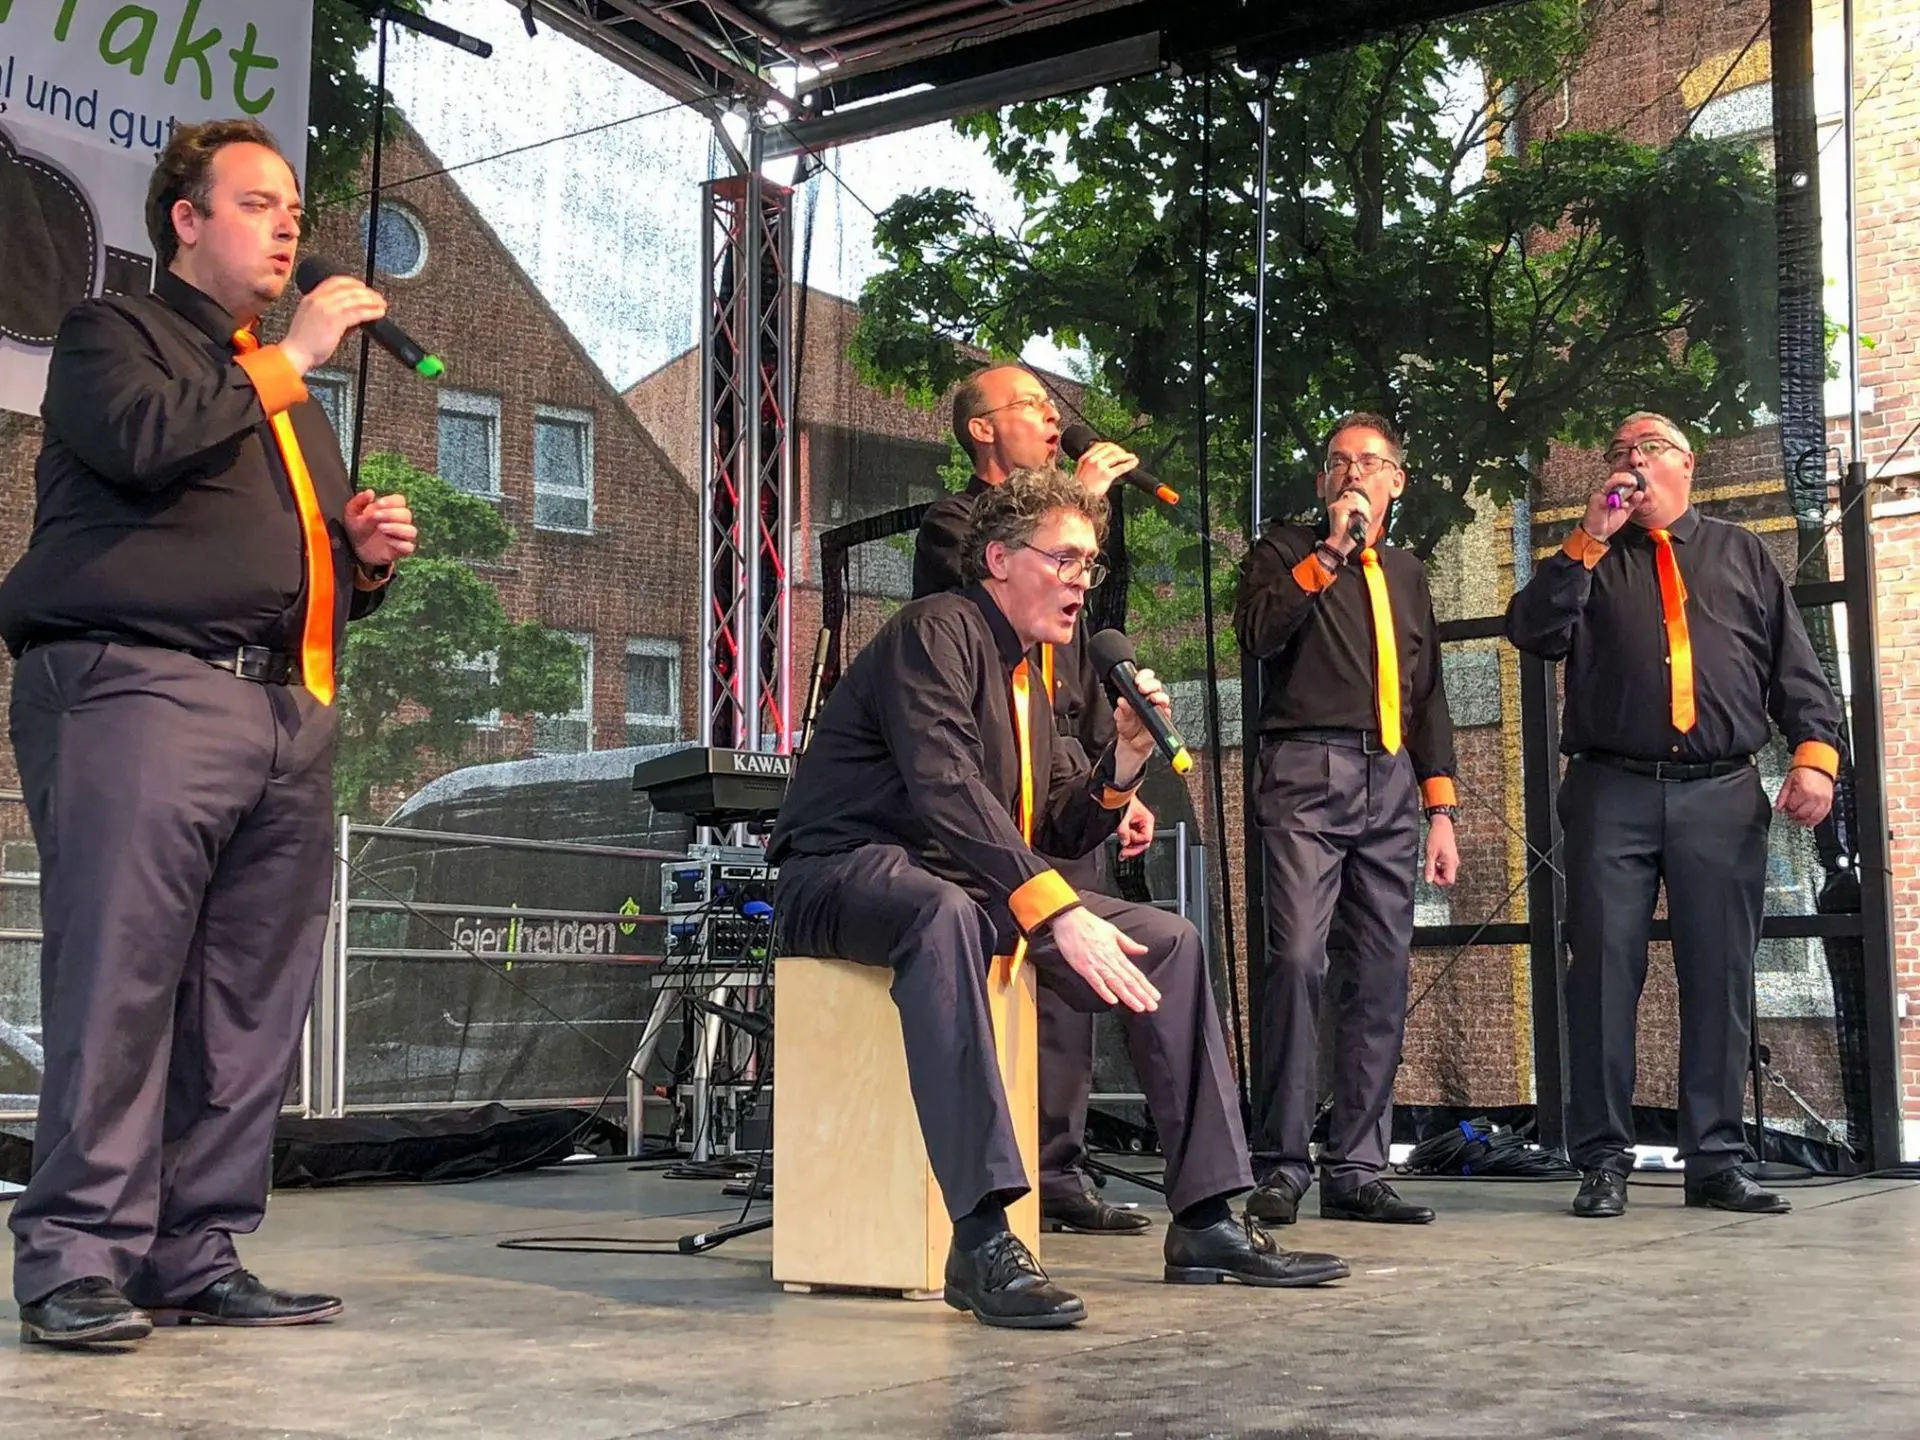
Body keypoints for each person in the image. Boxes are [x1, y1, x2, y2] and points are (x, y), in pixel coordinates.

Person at [0, 118, 416, 1345]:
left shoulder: (284, 386)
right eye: (258, 203)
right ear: (186, 218)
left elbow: (289, 553)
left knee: (247, 1000)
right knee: (122, 980)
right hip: (138, 687)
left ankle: (193, 1247)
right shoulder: (109, 335)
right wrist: (292, 357)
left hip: (283, 706)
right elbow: (143, 441)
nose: (290, 224)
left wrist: (367, 558)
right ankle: (76, 1253)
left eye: (294, 208)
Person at [771, 470, 1348, 1330]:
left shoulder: (1028, 680)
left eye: (1092, 561)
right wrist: (1059, 910)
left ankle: (1205, 1217)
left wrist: (1121, 760)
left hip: (959, 882)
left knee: (1172, 943)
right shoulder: (937, 631)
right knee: (947, 914)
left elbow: (1067, 824)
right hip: (841, 872)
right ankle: (981, 1237)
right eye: (1067, 558)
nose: (1085, 578)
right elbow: (946, 791)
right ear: (999, 558)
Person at [1505, 411, 1841, 1218]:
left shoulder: (1740, 552)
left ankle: (1716, 1160)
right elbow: (1533, 632)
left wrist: (1814, 758)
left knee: (1719, 974)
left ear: (1687, 466)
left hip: (1722, 792)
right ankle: (1602, 1160)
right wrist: (1585, 540)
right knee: (1603, 974)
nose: (1630, 461)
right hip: (1609, 789)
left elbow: (1797, 669)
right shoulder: (1586, 558)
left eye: (1647, 449)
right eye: (1617, 450)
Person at [913, 363, 1153, 1237]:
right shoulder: (957, 524)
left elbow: (1082, 669)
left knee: (1076, 971)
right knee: (993, 947)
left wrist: (1112, 777)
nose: (1055, 420)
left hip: (1059, 772)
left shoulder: (1069, 570)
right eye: (1032, 408)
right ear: (982, 429)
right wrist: (1078, 501)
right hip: (988, 783)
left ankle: (1059, 1168)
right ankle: (994, 1176)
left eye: (1058, 409)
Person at [1232, 413, 1460, 1228]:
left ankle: (1358, 1165)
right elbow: (1257, 635)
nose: (1352, 473)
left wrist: (1440, 807)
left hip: (1392, 777)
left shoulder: (1406, 571)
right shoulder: (1285, 550)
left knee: (1381, 968)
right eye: (1337, 462)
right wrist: (1326, 555)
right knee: (1295, 959)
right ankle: (1280, 1162)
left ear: (1399, 480)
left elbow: (1425, 691)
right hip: (1305, 767)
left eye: (1369, 462)